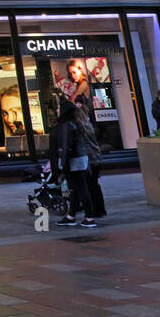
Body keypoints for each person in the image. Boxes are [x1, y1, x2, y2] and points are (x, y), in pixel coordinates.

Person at [54, 98, 98, 228]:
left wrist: (63, 163)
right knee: (75, 189)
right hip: (81, 159)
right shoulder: (77, 123)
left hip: (74, 161)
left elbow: (67, 146)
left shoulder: (67, 125)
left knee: (80, 189)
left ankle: (89, 218)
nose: (57, 110)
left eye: (59, 108)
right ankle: (71, 215)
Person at [73, 96, 106, 219]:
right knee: (94, 184)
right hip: (95, 156)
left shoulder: (80, 127)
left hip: (89, 158)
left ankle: (94, 210)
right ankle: (100, 209)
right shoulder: (88, 124)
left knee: (89, 185)